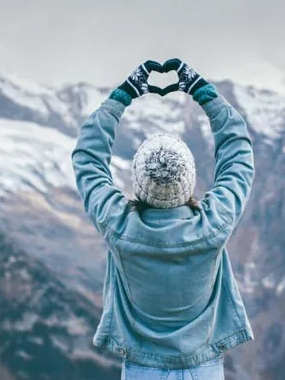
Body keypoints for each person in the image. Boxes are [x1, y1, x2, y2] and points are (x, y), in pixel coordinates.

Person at [72, 58, 255, 379]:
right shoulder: (213, 225)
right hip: (205, 369)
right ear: (189, 181)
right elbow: (238, 154)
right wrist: (202, 91)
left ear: (140, 184)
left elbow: (88, 158)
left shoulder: (119, 226)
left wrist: (124, 94)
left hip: (142, 369)